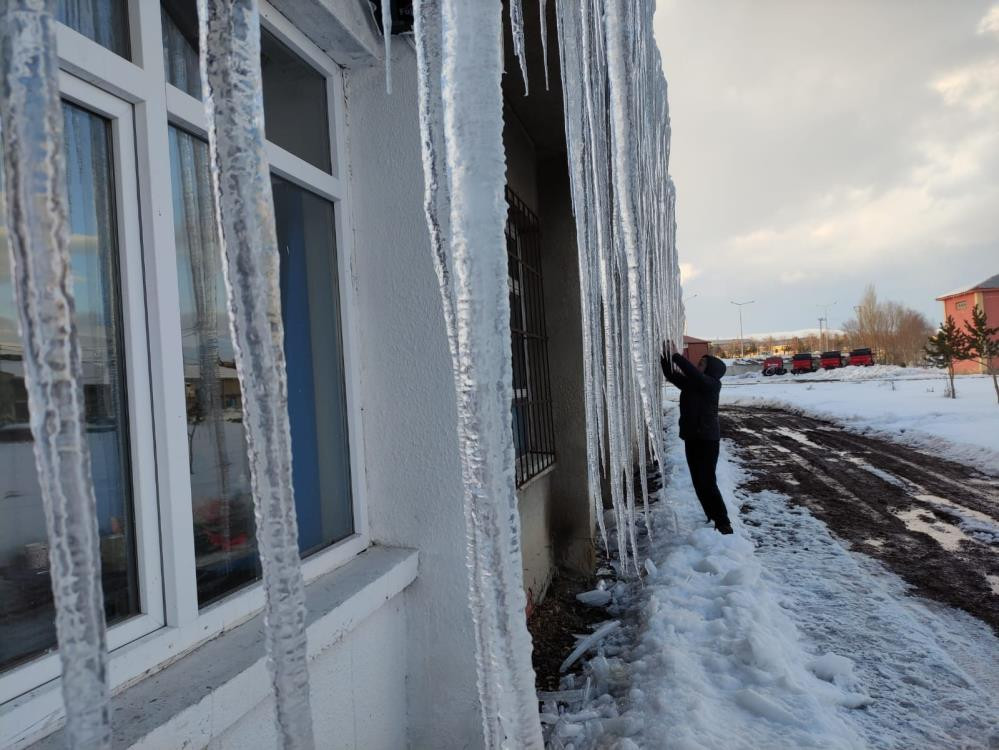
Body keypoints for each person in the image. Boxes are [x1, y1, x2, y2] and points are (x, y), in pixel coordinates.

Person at [660, 342, 733, 535]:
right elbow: (672, 375)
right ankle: (711, 516)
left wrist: (677, 356)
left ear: (711, 369)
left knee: (707, 481)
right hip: (692, 438)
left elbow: (696, 376)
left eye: (702, 364)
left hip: (707, 440)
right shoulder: (694, 384)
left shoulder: (712, 385)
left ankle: (723, 522)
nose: (698, 365)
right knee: (698, 481)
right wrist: (664, 356)